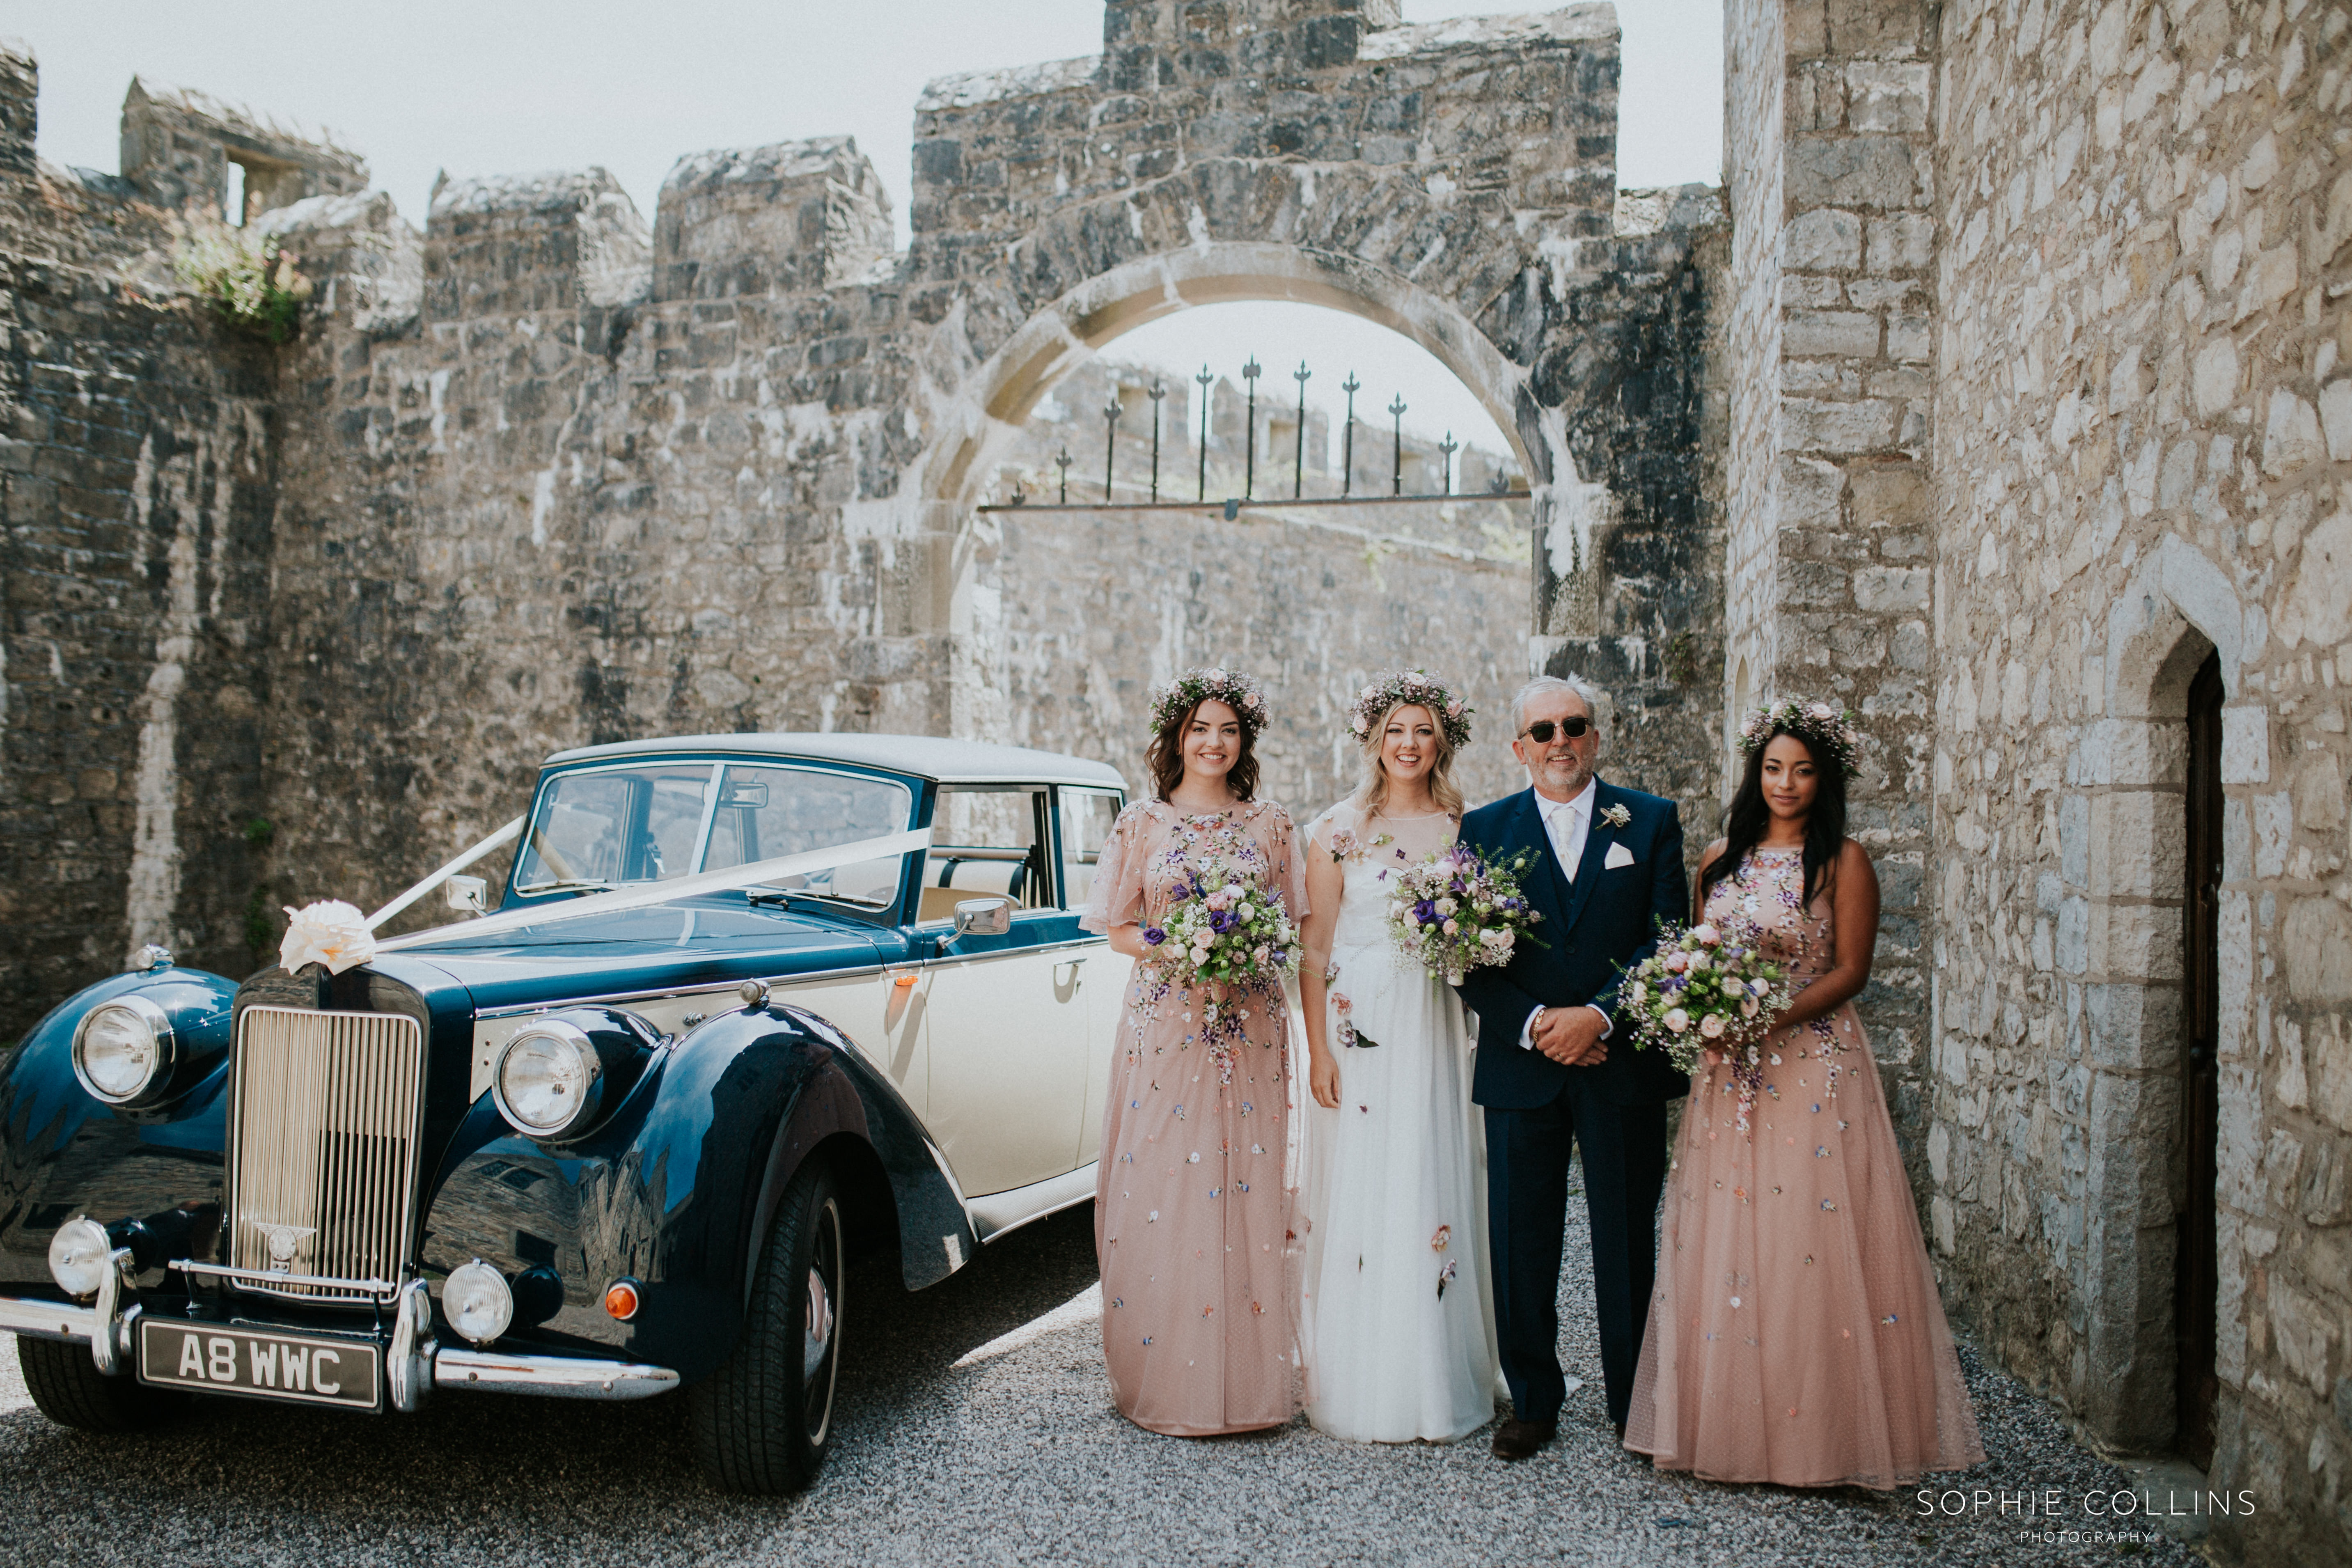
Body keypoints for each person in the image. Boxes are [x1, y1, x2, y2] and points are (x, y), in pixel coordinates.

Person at [1623, 701, 1985, 1487]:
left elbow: (1851, 970)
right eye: (1774, 768)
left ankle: (1820, 1435)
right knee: (1730, 1230)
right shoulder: (1719, 859)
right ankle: (1728, 1426)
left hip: (1811, 1062)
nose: (1786, 783)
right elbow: (1696, 957)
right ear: (1756, 774)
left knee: (1806, 1234)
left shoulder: (1841, 862)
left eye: (1803, 770)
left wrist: (1765, 1019)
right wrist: (1706, 1016)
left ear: (1825, 781)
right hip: (1730, 1072)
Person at [1455, 675, 1688, 1460]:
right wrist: (1532, 1025)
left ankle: (1633, 1403)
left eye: (1574, 726)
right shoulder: (1482, 829)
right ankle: (1533, 1399)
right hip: (1523, 1065)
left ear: (1595, 736)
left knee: (1626, 1239)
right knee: (1522, 1241)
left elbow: (1667, 939)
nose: (1561, 741)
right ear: (1519, 747)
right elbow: (1460, 955)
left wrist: (1600, 1016)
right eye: (1544, 730)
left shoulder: (1649, 821)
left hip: (1620, 1060)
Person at [1081, 667, 1309, 1435]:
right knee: (1164, 1186)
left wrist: (1242, 944)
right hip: (1165, 1021)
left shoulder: (1271, 823)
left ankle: (1245, 1382)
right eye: (1200, 729)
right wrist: (1180, 941)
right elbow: (1114, 927)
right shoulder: (1141, 823)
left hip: (1249, 1023)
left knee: (1243, 1181)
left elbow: (1289, 926)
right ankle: (1169, 1377)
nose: (1214, 744)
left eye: (1229, 731)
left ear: (1244, 743)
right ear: (1177, 737)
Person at [1297, 672, 1501, 1443]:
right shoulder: (1336, 829)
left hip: (1434, 1017)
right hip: (1359, 1020)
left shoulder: (1465, 826)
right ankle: (1366, 1374)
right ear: (1374, 743)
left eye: (1422, 732)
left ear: (1440, 742)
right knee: (1367, 1176)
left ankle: (1438, 1365)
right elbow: (1313, 950)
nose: (1408, 744)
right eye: (1395, 732)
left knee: (1431, 1166)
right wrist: (1317, 1048)